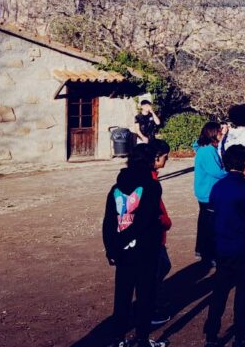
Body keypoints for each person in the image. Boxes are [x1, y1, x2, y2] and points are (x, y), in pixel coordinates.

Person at [102, 144, 167, 347]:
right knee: (145, 296)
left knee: (122, 296)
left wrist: (111, 248)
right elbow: (144, 221)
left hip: (122, 251)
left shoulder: (116, 188)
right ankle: (142, 339)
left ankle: (118, 339)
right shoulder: (152, 186)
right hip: (145, 249)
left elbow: (108, 221)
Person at [203, 145, 245, 347]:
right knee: (244, 294)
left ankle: (211, 335)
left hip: (223, 247)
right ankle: (239, 334)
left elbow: (211, 218)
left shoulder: (217, 187)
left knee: (219, 292)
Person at [194, 121, 227, 266]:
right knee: (210, 225)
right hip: (208, 192)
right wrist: (232, 173)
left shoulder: (205, 148)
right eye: (219, 131)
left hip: (205, 191)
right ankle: (209, 254)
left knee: (204, 223)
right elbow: (216, 172)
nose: (221, 133)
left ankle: (202, 251)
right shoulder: (208, 150)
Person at [149, 140, 173, 326]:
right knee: (157, 269)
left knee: (160, 267)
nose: (167, 159)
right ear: (156, 157)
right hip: (152, 235)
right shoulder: (150, 182)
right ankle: (152, 310)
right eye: (165, 156)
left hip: (152, 234)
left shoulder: (150, 177)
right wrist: (165, 222)